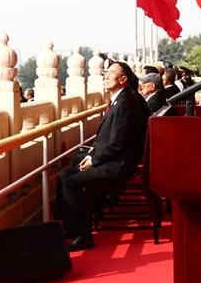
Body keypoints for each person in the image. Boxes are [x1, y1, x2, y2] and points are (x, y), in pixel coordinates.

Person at [55, 61, 147, 250]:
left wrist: (94, 159)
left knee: (71, 182)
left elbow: (117, 143)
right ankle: (71, 228)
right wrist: (92, 155)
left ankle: (83, 235)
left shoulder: (126, 103)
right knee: (65, 175)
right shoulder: (123, 99)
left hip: (119, 165)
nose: (105, 76)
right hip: (115, 158)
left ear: (123, 79)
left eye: (110, 73)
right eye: (105, 72)